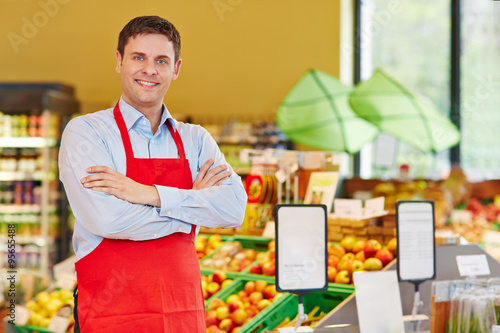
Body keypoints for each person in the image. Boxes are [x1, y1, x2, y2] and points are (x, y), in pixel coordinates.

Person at [58, 15, 247, 333]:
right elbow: (110, 221)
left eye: (162, 60)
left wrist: (148, 194)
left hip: (181, 314)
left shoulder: (196, 139)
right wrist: (194, 210)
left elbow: (234, 208)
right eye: (138, 57)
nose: (150, 70)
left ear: (176, 68)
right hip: (111, 316)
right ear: (119, 61)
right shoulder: (87, 132)